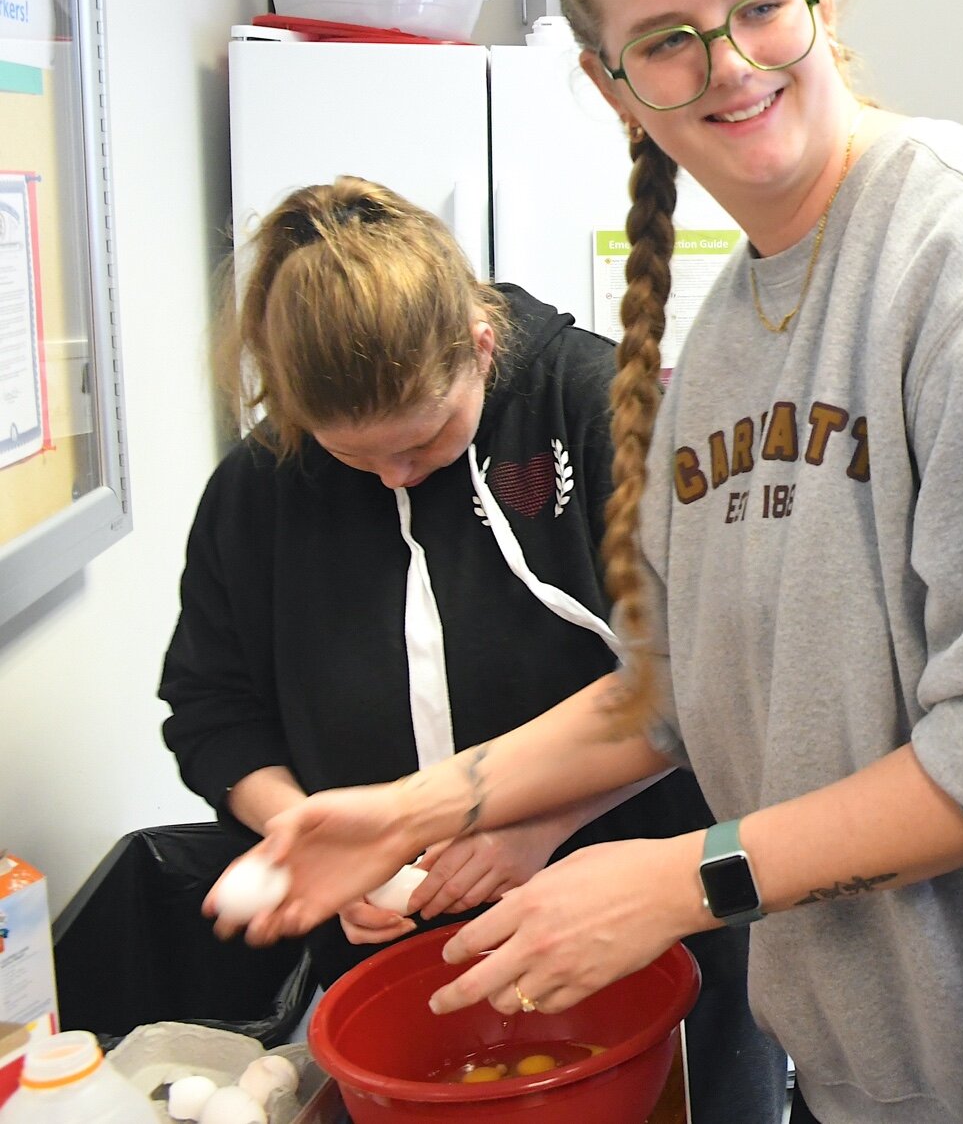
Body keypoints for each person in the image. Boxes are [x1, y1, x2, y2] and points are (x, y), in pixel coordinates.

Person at [206, 0, 963, 1124]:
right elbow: (681, 689)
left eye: (758, 10)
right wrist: (409, 808)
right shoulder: (721, 345)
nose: (732, 65)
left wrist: (675, 881)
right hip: (868, 1069)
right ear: (610, 82)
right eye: (668, 40)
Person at [158, 178, 785, 1123]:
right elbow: (211, 709)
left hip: (645, 920)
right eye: (355, 457)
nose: (395, 477)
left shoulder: (601, 410)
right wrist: (317, 840)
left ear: (481, 349)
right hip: (394, 964)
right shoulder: (258, 489)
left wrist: (540, 826)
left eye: (422, 442)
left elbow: (704, 680)